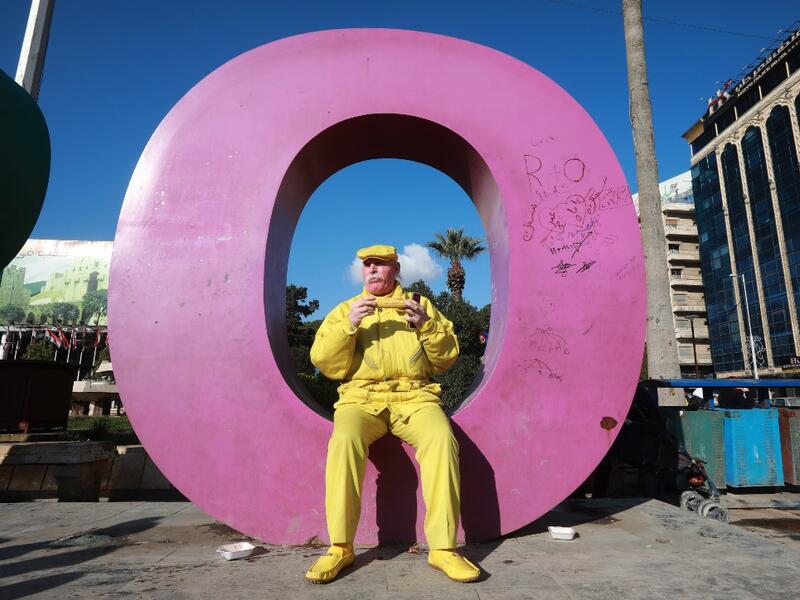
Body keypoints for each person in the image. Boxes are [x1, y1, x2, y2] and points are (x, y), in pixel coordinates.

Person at [305, 244, 481, 584]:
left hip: (415, 396)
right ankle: (340, 547)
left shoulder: (421, 304)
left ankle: (443, 549)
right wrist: (349, 327)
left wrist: (427, 327)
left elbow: (447, 358)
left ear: (395, 269)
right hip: (361, 398)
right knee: (344, 440)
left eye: (380, 265)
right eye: (367, 265)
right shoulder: (346, 309)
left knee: (441, 439)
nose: (372, 270)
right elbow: (326, 364)